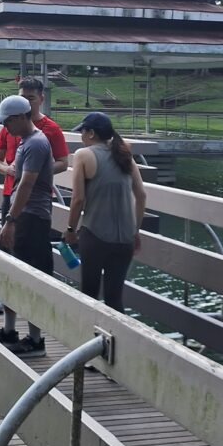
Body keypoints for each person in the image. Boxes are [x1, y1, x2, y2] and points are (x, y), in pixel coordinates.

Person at [0, 77, 69, 314]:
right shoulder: (10, 127)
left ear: (41, 99)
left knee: (32, 258)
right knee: (9, 248)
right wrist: (8, 169)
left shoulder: (48, 131)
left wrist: (33, 172)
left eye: (30, 98)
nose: (25, 102)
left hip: (33, 203)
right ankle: (6, 298)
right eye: (22, 97)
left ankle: (34, 319)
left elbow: (63, 163)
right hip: (10, 194)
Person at [0, 95, 54, 358]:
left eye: (7, 122)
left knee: (31, 278)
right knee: (14, 273)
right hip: (23, 215)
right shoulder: (27, 143)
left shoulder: (36, 143)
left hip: (31, 218)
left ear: (18, 118)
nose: (5, 128)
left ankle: (36, 339)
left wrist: (10, 221)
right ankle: (11, 330)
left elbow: (27, 185)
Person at [65, 112, 146, 313]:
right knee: (114, 298)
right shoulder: (125, 155)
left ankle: (88, 340)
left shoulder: (83, 155)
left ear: (91, 133)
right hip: (125, 239)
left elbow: (78, 199)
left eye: (82, 132)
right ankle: (116, 343)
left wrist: (70, 229)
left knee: (89, 295)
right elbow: (142, 195)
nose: (81, 137)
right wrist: (135, 230)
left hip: (95, 235)